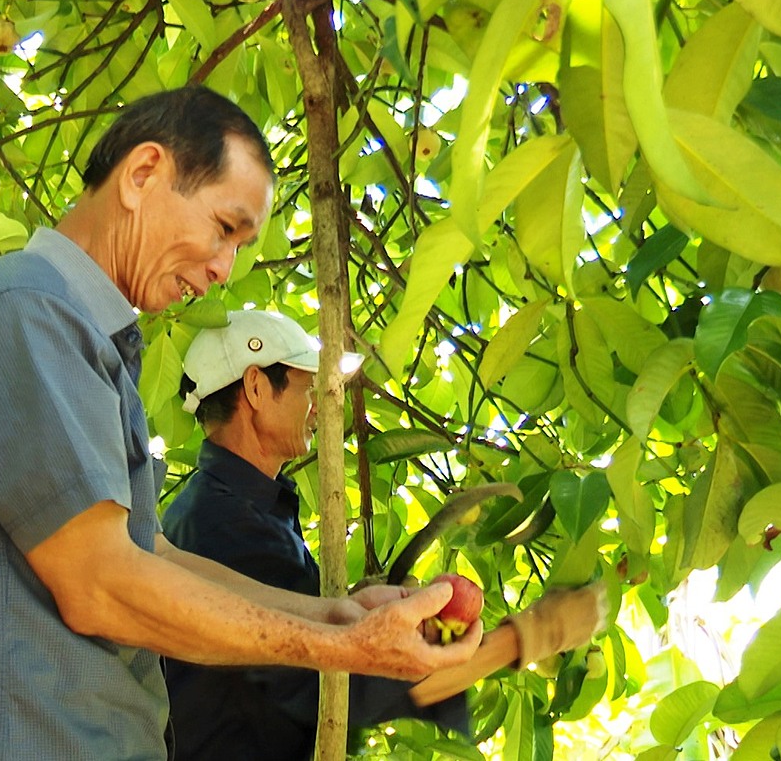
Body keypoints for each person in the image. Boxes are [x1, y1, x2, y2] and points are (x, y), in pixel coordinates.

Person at [0, 87, 482, 761]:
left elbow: (147, 554)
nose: (224, 268)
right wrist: (344, 648)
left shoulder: (88, 343)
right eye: (224, 228)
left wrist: (336, 613)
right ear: (143, 173)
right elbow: (100, 582)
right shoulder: (23, 311)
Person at [161, 309, 610, 760]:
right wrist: (534, 634)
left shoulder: (247, 507)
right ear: (257, 388)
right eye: (306, 388)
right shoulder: (225, 523)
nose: (317, 406)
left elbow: (299, 644)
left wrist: (358, 608)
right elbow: (355, 678)